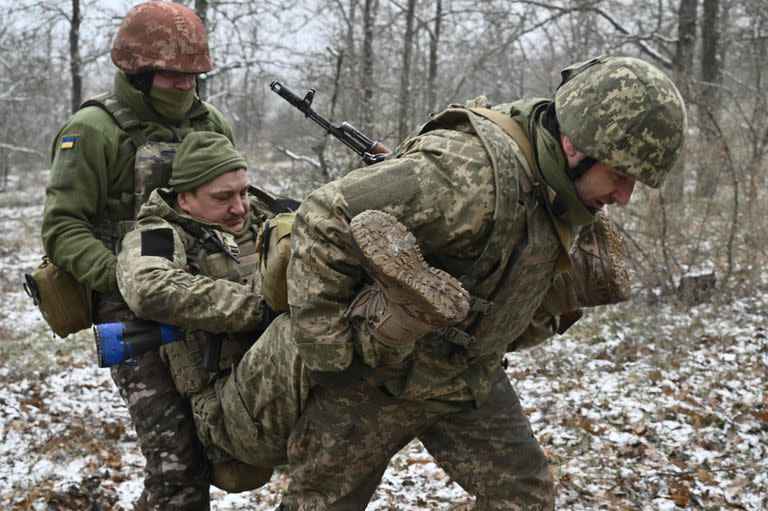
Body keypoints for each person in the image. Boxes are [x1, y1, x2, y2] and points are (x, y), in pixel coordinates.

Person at [279, 55, 687, 509]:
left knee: (522, 500)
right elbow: (323, 212)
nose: (625, 198)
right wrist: (329, 356)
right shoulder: (466, 174)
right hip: (377, 376)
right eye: (619, 175)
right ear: (574, 146)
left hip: (465, 376)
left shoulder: (560, 192)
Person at [41, 2, 235, 508]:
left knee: (229, 441)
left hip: (204, 291)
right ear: (138, 70)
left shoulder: (210, 124)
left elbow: (236, 201)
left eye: (194, 74)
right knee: (177, 462)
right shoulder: (91, 130)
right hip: (126, 305)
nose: (186, 84)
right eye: (174, 74)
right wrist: (127, 279)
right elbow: (63, 228)